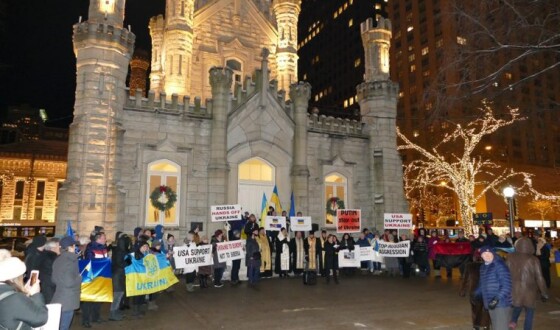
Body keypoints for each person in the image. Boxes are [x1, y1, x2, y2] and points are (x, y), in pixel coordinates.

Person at [506, 237, 548, 330]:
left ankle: (512, 324)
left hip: (514, 291)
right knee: (529, 313)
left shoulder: (510, 257)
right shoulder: (534, 259)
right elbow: (539, 278)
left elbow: (506, 273)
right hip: (530, 291)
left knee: (516, 309)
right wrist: (544, 293)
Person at [0, 253, 49, 330]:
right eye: (23, 275)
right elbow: (41, 319)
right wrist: (36, 294)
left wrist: (25, 293)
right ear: (14, 278)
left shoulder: (8, 294)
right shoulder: (15, 299)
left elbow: (12, 311)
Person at [474, 246, 512, 330]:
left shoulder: (499, 265)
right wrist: (476, 294)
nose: (487, 255)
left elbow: (506, 285)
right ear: (481, 256)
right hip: (490, 303)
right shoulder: (483, 267)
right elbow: (482, 284)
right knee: (496, 327)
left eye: (489, 253)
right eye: (484, 253)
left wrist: (496, 299)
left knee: (501, 327)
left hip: (501, 304)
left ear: (493, 254)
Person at [52, 236, 82, 330]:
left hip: (59, 296)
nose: (75, 248)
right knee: (64, 326)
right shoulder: (70, 261)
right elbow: (69, 282)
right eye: (73, 246)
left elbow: (53, 279)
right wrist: (79, 278)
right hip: (68, 299)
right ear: (69, 247)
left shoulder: (58, 259)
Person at [81, 231, 109, 327]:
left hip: (102, 276)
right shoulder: (90, 249)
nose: (106, 239)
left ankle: (96, 317)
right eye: (104, 237)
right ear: (98, 239)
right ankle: (86, 320)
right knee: (89, 300)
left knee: (99, 297)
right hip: (92, 277)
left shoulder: (104, 248)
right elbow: (89, 263)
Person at [459, 251, 490, 330]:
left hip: (474, 291)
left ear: (474, 257)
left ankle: (476, 326)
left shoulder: (470, 266)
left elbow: (465, 279)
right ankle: (486, 326)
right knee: (486, 310)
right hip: (488, 291)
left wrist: (463, 290)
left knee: (475, 310)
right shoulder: (490, 265)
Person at [38, 237, 60, 303]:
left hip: (47, 286)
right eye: (58, 246)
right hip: (50, 287)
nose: (60, 248)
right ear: (52, 248)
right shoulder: (51, 258)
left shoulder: (45, 255)